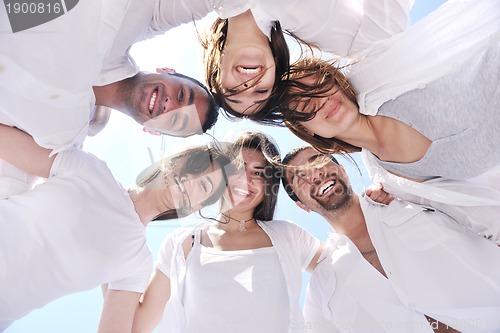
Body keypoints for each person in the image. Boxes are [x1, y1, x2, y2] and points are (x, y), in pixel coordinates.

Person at [0, 0, 250, 199]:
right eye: (182, 95)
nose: (170, 105)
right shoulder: (134, 15)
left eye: (176, 121)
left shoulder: (64, 141)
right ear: (168, 70)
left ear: (152, 131)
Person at [0, 124, 231, 332]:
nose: (190, 179)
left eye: (203, 185)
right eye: (194, 166)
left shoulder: (137, 262)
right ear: (176, 160)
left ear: (196, 207)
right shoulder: (91, 169)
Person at [281, 146, 500, 333]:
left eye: (318, 161)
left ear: (343, 170)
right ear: (301, 205)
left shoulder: (407, 196)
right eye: (299, 177)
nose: (314, 174)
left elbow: (488, 210)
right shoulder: (321, 288)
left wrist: (403, 189)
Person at [131, 131, 323, 333]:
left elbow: (342, 263)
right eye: (237, 169)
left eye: (258, 173)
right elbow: (137, 324)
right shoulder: (182, 243)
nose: (245, 179)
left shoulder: (288, 235)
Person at [200, 0, 414, 121]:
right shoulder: (322, 28)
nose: (248, 86)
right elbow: (385, 32)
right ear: (274, 74)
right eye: (261, 92)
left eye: (234, 92)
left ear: (216, 71)